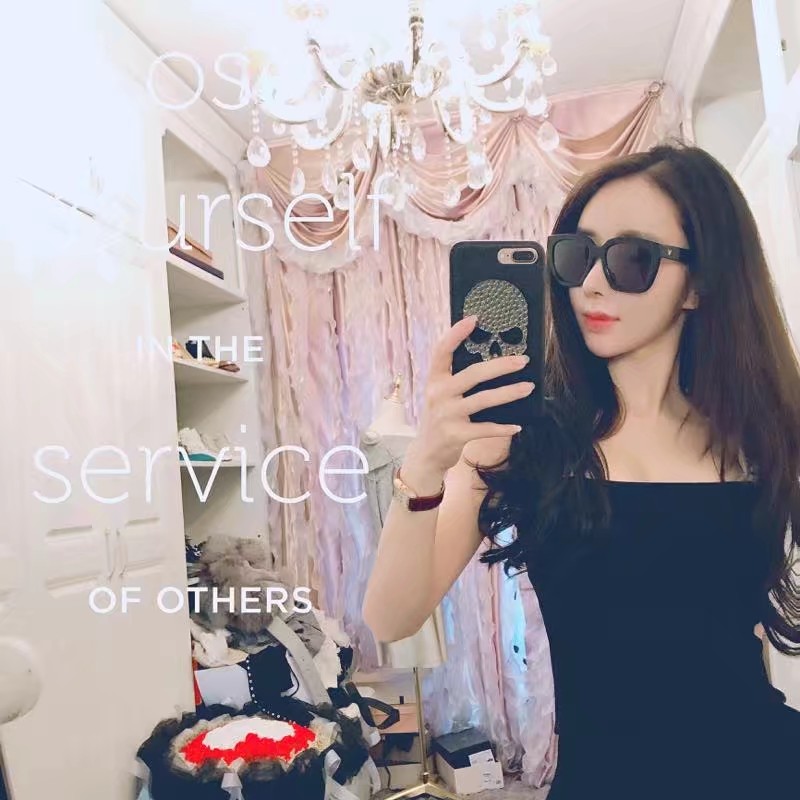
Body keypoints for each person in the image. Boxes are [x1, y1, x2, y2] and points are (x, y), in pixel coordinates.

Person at [362, 143, 800, 799]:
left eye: (631, 259)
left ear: (699, 284)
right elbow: (390, 618)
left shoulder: (757, 438)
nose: (591, 283)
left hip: (760, 772)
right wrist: (426, 461)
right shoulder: (523, 444)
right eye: (577, 254)